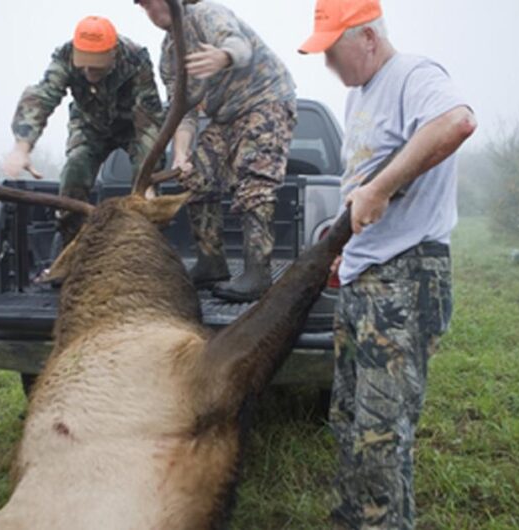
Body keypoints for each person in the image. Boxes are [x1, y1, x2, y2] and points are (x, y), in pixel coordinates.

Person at [299, 0, 477, 527]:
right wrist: (345, 258)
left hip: (405, 278)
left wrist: (381, 187)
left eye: (333, 51)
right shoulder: (359, 97)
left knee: (381, 433)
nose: (328, 64)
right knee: (350, 420)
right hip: (363, 279)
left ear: (369, 38)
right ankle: (353, 519)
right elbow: (360, 189)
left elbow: (457, 121)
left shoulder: (413, 75)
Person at [137, 0, 298, 302]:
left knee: (253, 181)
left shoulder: (206, 14)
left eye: (152, 2)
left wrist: (223, 56)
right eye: (143, 7)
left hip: (265, 101)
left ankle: (257, 273)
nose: (149, 11)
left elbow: (239, 45)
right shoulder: (169, 54)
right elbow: (183, 111)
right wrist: (181, 154)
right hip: (225, 117)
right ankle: (212, 262)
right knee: (195, 177)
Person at [2, 15, 165, 245]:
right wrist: (22, 146)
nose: (88, 71)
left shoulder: (135, 59)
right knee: (75, 168)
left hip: (131, 126)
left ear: (113, 53)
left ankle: (147, 240)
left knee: (145, 184)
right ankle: (70, 243)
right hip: (90, 125)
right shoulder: (66, 56)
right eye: (83, 64)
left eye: (96, 65)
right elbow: (42, 96)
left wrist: (147, 180)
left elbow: (149, 119)